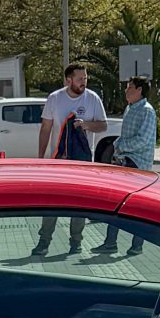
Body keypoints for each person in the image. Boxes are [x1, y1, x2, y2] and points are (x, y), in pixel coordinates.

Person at [30, 63, 110, 257]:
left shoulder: (92, 99)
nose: (84, 82)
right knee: (52, 202)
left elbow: (103, 125)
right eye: (80, 78)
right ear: (68, 80)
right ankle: (44, 242)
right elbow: (46, 128)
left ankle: (76, 241)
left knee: (79, 203)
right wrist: (41, 158)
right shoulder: (55, 99)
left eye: (85, 78)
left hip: (82, 162)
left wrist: (86, 125)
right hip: (58, 161)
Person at [84, 76, 158, 259]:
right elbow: (125, 136)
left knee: (136, 207)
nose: (126, 91)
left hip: (138, 164)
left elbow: (143, 140)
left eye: (129, 87)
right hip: (124, 161)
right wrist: (116, 147)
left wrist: (120, 146)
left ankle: (136, 246)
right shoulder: (130, 108)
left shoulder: (147, 111)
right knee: (116, 202)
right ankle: (110, 243)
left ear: (139, 90)